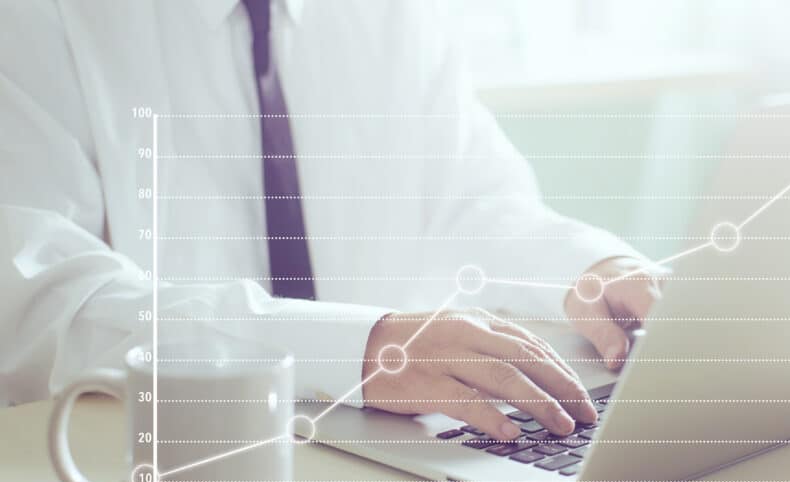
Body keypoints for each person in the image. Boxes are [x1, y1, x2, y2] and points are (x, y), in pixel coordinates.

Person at [0, 0, 660, 441]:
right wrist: (357, 350)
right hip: (158, 477)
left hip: (390, 473)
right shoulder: (34, 20)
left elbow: (470, 200)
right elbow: (45, 304)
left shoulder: (393, 15)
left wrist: (588, 268)